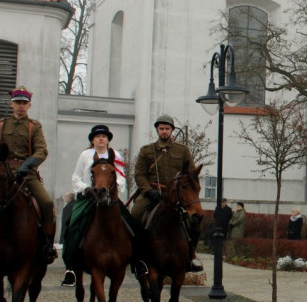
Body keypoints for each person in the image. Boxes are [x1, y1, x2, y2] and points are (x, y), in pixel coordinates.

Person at [0, 86, 57, 263]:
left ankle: (47, 244)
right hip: (2, 174)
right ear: (11, 104)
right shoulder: (0, 125)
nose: (21, 106)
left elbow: (41, 151)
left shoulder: (34, 126)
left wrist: (28, 164)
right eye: (17, 103)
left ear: (29, 105)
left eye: (24, 103)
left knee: (46, 202)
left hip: (26, 174)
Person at [60, 125, 131, 287]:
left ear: (108, 139)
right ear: (92, 140)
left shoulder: (115, 155)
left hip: (109, 197)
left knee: (130, 222)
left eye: (104, 136)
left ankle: (137, 260)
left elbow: (121, 177)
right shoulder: (86, 155)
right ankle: (70, 267)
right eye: (97, 136)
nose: (101, 138)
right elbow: (76, 176)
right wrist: (86, 189)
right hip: (88, 197)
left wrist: (114, 188)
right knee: (73, 224)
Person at [132, 115, 202, 272]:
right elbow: (139, 174)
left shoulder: (183, 150)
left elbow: (191, 174)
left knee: (196, 218)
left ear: (172, 130)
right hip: (152, 192)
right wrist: (148, 191)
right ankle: (137, 257)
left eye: (167, 129)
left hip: (176, 196)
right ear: (157, 130)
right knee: (135, 214)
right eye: (161, 129)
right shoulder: (147, 150)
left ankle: (191, 255)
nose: (164, 131)